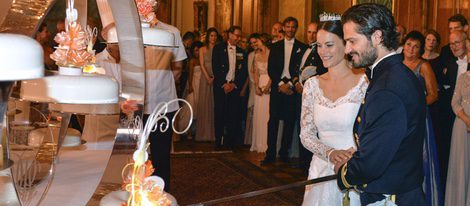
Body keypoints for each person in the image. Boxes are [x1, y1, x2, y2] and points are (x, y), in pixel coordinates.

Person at [336, 3, 426, 205]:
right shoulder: (395, 74)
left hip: (390, 197)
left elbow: (370, 165)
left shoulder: (387, 87)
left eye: (352, 41)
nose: (347, 49)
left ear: (377, 37)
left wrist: (343, 171)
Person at [300, 16, 366, 206]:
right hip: (321, 168)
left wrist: (357, 155)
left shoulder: (364, 82)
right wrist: (329, 153)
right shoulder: (312, 85)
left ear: (346, 45)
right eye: (319, 45)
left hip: (354, 165)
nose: (322, 52)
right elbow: (306, 134)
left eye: (329, 45)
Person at [144, 16, 187, 192]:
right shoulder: (131, 31)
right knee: (135, 154)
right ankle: (134, 192)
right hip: (135, 105)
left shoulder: (171, 31)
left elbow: (178, 67)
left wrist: (161, 83)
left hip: (164, 104)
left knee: (161, 155)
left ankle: (161, 194)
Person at [402, 31, 443, 206]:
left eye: (416, 46)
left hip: (418, 118)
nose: (411, 49)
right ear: (403, 45)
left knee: (420, 159)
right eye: (409, 44)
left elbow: (433, 95)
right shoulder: (396, 64)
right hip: (399, 119)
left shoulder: (424, 66)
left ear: (420, 50)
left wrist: (415, 105)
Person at [262, 17, 307, 164]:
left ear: (296, 28)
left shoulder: (302, 47)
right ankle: (270, 154)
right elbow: (271, 68)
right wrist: (281, 84)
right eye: (287, 27)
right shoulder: (275, 46)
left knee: (289, 122)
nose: (290, 29)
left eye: (293, 27)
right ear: (284, 28)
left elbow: (302, 70)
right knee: (273, 121)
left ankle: (284, 153)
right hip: (277, 88)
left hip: (292, 90)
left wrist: (291, 86)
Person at [439, 30, 469, 190]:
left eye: (456, 42)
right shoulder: (448, 64)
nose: (453, 47)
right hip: (451, 119)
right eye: (451, 43)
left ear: (466, 42)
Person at [212, 26, 248, 149]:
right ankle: (218, 140)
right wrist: (224, 84)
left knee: (233, 114)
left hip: (234, 86)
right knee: (220, 113)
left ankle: (230, 142)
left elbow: (243, 72)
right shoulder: (218, 48)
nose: (238, 38)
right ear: (230, 35)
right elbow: (215, 68)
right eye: (236, 35)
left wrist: (234, 84)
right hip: (221, 86)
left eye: (239, 36)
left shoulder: (242, 52)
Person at [446, 39, 470, 206]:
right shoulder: (463, 77)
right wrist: (467, 120)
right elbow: (455, 102)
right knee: (462, 167)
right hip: (462, 126)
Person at [195, 27, 218, 142]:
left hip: (216, 78)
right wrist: (208, 77)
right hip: (205, 78)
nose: (213, 38)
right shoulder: (202, 49)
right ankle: (203, 133)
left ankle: (213, 133)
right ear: (208, 37)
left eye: (215, 36)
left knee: (214, 104)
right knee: (204, 103)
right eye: (211, 35)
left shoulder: (218, 48)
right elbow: (202, 64)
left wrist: (215, 77)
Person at [250, 33, 271, 153]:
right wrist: (256, 87)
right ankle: (258, 143)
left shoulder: (271, 53)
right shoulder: (256, 55)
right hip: (259, 86)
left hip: (269, 84)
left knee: (267, 114)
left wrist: (268, 87)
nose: (255, 44)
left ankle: (266, 143)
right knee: (259, 114)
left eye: (257, 41)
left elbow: (273, 72)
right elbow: (255, 73)